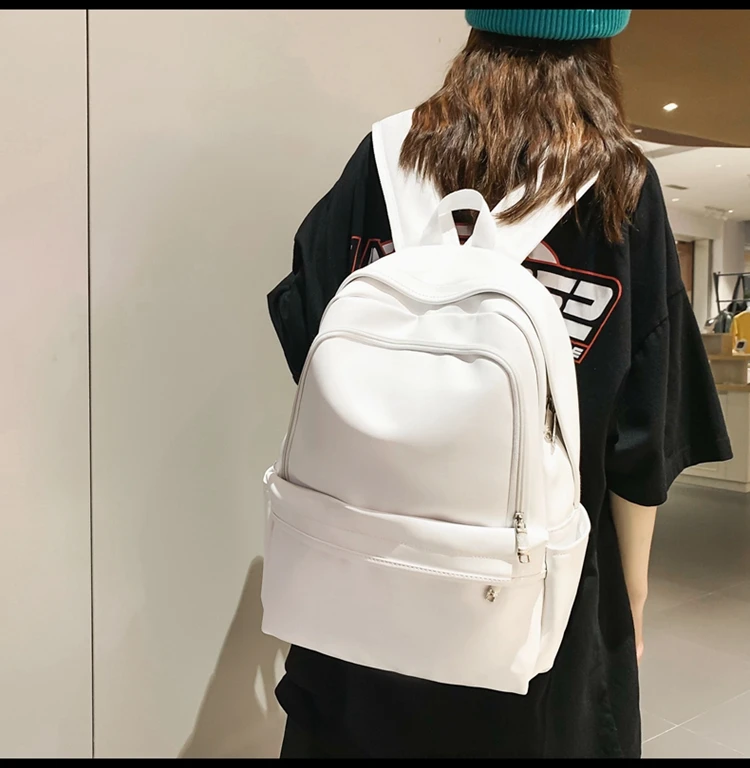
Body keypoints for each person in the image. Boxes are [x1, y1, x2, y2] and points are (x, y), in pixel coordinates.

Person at [267, 9, 732, 759]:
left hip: (359, 588)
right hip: (533, 613)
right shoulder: (618, 185)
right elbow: (641, 440)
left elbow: (310, 339)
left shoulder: (384, 157)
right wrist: (632, 602)